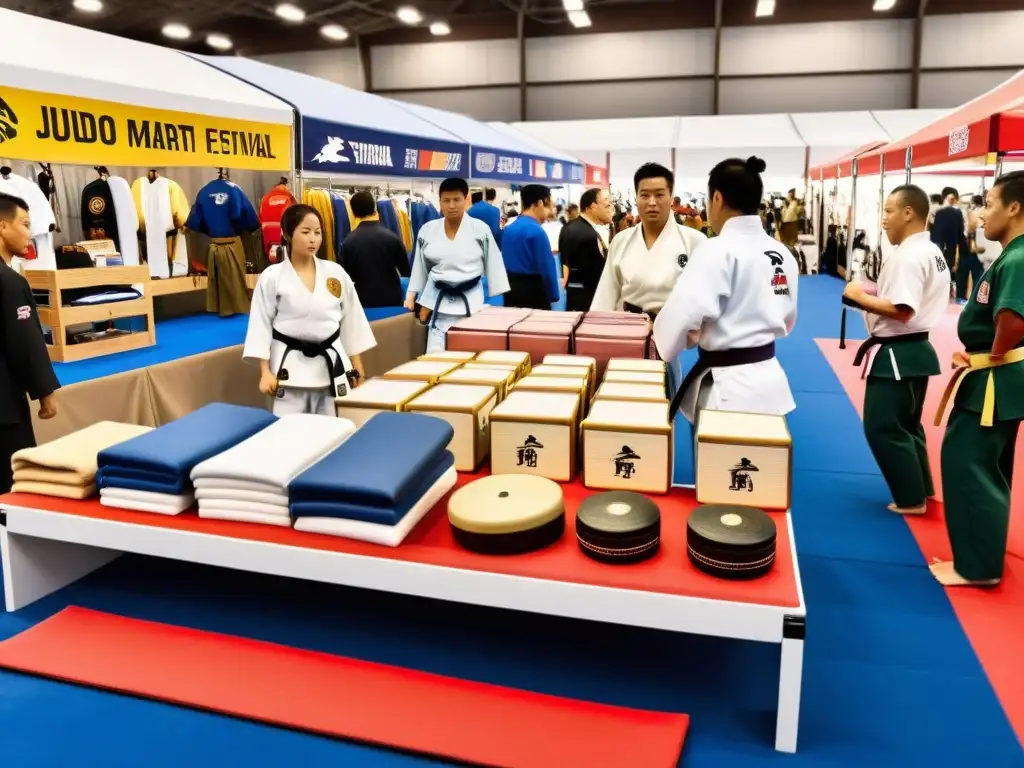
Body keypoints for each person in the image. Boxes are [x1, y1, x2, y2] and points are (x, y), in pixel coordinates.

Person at [653, 156, 798, 429]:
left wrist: (670, 341)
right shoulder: (782, 253)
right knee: (762, 467)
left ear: (716, 198)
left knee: (724, 469)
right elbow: (788, 319)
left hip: (727, 390)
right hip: (770, 382)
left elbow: (682, 317)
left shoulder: (715, 250)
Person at [932, 170, 1024, 588]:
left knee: (967, 462)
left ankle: (977, 567)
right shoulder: (1013, 254)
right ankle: (983, 554)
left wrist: (992, 356)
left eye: (988, 203)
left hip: (995, 376)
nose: (981, 214)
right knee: (988, 465)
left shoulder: (1019, 257)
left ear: (1014, 208)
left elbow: (1012, 321)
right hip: (997, 374)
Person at [842, 185, 948, 516]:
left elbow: (903, 309)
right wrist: (873, 289)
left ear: (908, 213)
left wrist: (858, 297)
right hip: (913, 349)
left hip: (898, 353)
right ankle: (921, 489)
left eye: (889, 211)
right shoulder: (929, 250)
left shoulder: (909, 255)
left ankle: (910, 498)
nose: (884, 219)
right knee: (907, 425)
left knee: (883, 426)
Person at [244, 204, 376, 416]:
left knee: (333, 432)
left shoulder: (335, 272)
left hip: (330, 366)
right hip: (289, 367)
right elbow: (261, 325)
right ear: (287, 234)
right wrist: (264, 372)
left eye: (318, 232)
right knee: (290, 434)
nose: (313, 239)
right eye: (305, 232)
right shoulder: (272, 277)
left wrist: (356, 363)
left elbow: (351, 319)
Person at [405, 177, 508, 353]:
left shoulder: (480, 229)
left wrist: (497, 309)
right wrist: (410, 297)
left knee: (470, 364)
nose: (451, 205)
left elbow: (495, 268)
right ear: (440, 202)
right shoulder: (427, 230)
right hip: (439, 309)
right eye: (446, 200)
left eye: (456, 200)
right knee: (435, 363)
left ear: (466, 200)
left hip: (472, 308)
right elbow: (420, 269)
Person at [0, 193, 59, 492]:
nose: (29, 233)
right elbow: (24, 343)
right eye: (24, 224)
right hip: (5, 411)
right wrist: (44, 392)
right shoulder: (10, 282)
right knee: (13, 488)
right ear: (2, 227)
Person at [337, 191, 410, 308]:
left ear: (353, 212)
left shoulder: (348, 243)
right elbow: (406, 271)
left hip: (362, 302)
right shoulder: (392, 238)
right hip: (392, 301)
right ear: (374, 209)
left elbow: (346, 278)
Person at [501, 184, 560, 309]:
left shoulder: (508, 229)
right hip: (534, 293)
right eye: (548, 206)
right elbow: (547, 268)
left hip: (510, 291)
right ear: (539, 203)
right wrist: (554, 295)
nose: (550, 211)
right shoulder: (536, 232)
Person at [560, 187, 613, 311]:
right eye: (606, 207)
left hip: (575, 297)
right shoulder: (586, 234)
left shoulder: (570, 227)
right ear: (593, 207)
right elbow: (594, 272)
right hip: (588, 301)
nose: (610, 211)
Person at [930, 186, 967, 299]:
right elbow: (960, 230)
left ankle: (939, 289)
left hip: (937, 244)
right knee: (948, 267)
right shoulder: (957, 212)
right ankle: (946, 288)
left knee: (938, 266)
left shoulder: (937, 211)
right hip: (951, 244)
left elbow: (933, 228)